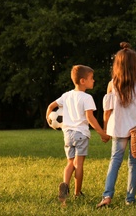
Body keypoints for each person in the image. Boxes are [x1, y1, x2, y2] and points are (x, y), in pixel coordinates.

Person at [96, 42, 136, 208]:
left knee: (115, 161)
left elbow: (107, 111)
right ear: (134, 64)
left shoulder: (112, 84)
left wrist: (105, 129)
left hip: (118, 128)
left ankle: (107, 196)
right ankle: (130, 199)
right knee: (133, 163)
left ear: (117, 64)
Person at [46, 65, 110, 204]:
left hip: (68, 134)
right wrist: (101, 133)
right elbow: (90, 118)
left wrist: (48, 119)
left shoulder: (66, 95)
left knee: (70, 162)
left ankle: (65, 184)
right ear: (82, 81)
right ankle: (77, 192)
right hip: (81, 134)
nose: (93, 81)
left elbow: (51, 106)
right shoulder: (87, 98)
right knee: (79, 164)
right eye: (91, 78)